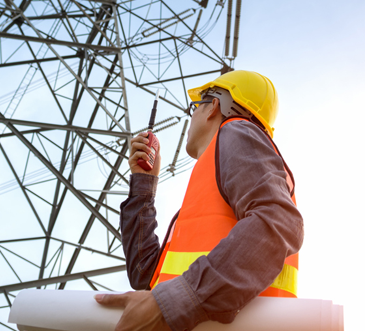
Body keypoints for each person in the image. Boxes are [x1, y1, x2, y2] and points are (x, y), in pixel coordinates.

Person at [96, 70, 303, 331]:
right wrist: (143, 186)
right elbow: (146, 276)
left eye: (195, 106)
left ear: (213, 106)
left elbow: (279, 222)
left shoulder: (236, 131)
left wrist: (171, 303)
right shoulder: (213, 184)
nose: (191, 116)